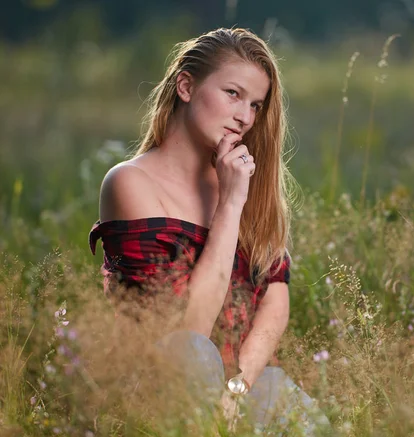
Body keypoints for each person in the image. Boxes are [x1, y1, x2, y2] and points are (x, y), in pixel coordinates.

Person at [89, 27, 330, 434]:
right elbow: (186, 335)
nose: (244, 117)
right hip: (160, 386)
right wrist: (230, 204)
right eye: (232, 94)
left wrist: (236, 390)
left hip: (236, 387)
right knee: (192, 354)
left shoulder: (243, 177)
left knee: (284, 398)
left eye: (255, 104)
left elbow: (275, 302)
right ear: (185, 86)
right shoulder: (130, 183)